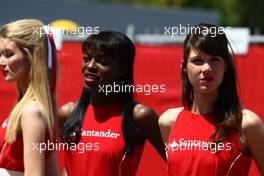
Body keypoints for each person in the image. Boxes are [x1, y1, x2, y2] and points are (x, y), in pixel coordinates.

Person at [159, 23, 264, 176]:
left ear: (226, 65)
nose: (206, 68)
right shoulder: (168, 122)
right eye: (198, 61)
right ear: (184, 67)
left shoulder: (245, 124)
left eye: (214, 59)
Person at [59, 30, 166, 176]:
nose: (90, 66)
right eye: (86, 58)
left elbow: (178, 164)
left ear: (122, 68)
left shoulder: (139, 116)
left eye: (102, 61)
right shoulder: (67, 113)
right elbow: (70, 165)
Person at [0, 19, 59, 176]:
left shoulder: (32, 111)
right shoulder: (32, 106)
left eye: (8, 54)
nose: (1, 62)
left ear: (31, 56)